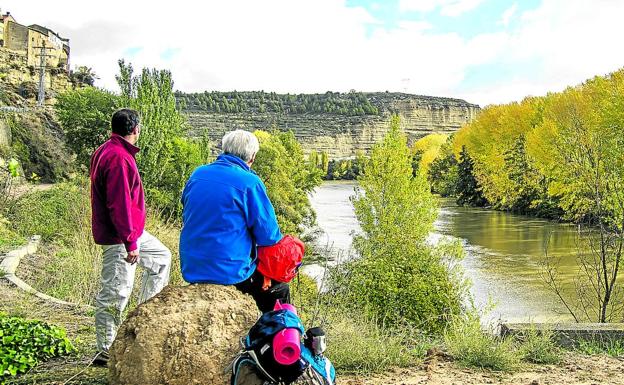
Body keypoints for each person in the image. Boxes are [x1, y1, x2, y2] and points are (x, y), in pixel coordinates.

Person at [90, 109, 171, 366]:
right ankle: (106, 350)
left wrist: (133, 236)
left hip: (130, 232)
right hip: (120, 236)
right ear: (135, 129)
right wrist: (130, 242)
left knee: (161, 257)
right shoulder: (118, 158)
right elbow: (119, 204)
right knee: (115, 291)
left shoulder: (108, 150)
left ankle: (142, 320)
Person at [179, 129, 289, 313]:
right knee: (280, 289)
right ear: (252, 157)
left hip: (192, 267)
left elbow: (186, 206)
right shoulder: (249, 182)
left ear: (224, 149)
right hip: (229, 272)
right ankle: (271, 337)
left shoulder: (197, 174)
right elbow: (269, 236)